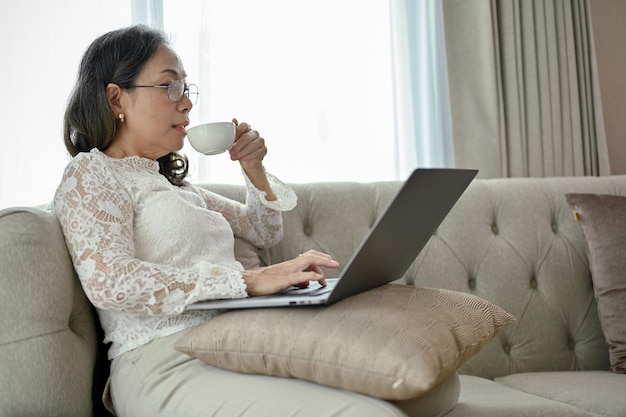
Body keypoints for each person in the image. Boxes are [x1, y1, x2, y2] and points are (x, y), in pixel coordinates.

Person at [52, 25, 425, 417]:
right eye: (169, 87)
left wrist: (253, 167)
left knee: (428, 390)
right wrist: (246, 282)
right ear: (116, 99)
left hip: (235, 342)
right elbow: (110, 282)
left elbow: (262, 230)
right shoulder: (93, 174)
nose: (186, 104)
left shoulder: (177, 188)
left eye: (187, 88)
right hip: (165, 363)